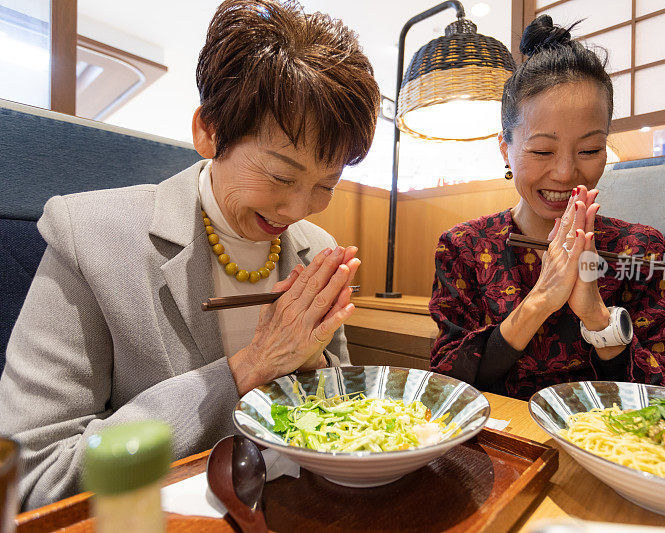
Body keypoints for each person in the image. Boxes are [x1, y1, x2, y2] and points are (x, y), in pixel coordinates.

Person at [0, 0, 380, 509]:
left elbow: (339, 418)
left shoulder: (319, 251)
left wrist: (315, 362)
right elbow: (31, 472)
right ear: (210, 131)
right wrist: (248, 368)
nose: (298, 208)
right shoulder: (88, 237)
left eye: (325, 185)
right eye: (281, 176)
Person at [429, 15, 665, 400]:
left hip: (602, 449)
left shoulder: (638, 249)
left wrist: (599, 320)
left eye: (589, 150)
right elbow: (443, 385)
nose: (567, 173)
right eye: (542, 150)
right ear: (507, 149)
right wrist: (538, 302)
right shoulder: (465, 246)